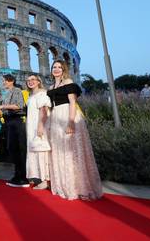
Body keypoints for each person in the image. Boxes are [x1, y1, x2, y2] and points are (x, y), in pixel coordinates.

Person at [47, 60, 102, 200]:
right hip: (55, 117)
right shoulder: (51, 85)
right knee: (59, 151)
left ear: (64, 69)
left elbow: (72, 102)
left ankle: (79, 187)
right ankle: (63, 185)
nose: (57, 69)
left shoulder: (68, 82)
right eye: (54, 67)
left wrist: (71, 122)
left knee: (72, 151)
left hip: (67, 115)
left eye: (59, 67)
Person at [0, 74, 29, 188]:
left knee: (19, 149)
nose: (4, 82)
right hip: (9, 121)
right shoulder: (7, 93)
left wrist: (2, 107)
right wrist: (1, 112)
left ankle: (23, 177)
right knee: (11, 148)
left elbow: (19, 106)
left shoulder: (17, 90)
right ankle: (17, 174)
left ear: (12, 81)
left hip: (17, 121)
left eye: (5, 81)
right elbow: (6, 108)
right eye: (4, 80)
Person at [26, 74, 52, 190]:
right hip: (31, 126)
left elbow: (44, 110)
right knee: (35, 151)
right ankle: (37, 177)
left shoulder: (42, 93)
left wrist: (40, 126)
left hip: (39, 125)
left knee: (41, 151)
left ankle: (45, 180)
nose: (30, 82)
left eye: (33, 79)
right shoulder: (32, 95)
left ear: (38, 81)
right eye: (28, 80)